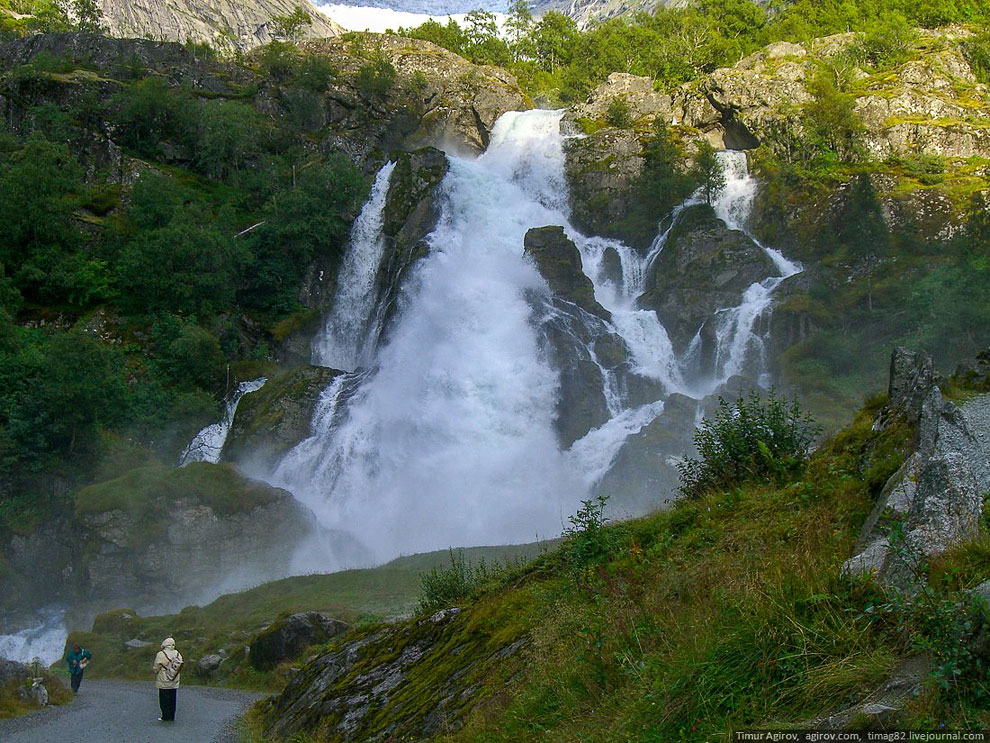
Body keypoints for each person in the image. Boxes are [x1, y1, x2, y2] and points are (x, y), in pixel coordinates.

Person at [152, 637, 183, 722]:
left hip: (164, 679)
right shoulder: (177, 653)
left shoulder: (161, 654)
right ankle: (172, 716)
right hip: (174, 678)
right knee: (172, 698)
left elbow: (156, 667)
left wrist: (156, 671)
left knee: (164, 698)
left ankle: (165, 716)